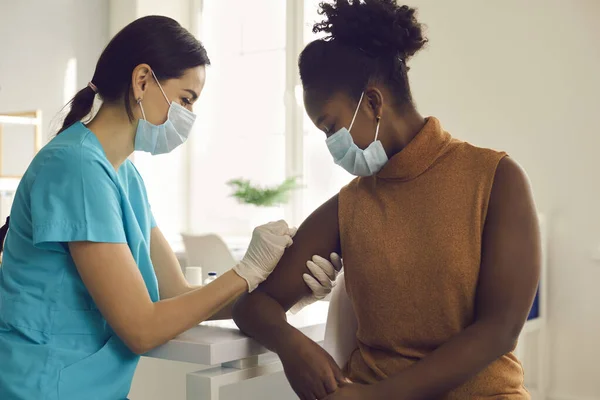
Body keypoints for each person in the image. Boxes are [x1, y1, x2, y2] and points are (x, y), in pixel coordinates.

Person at [0, 16, 339, 400]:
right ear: (142, 81)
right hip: (44, 386)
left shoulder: (123, 176)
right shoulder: (76, 167)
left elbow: (174, 293)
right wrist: (246, 271)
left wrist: (284, 293)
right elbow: (141, 328)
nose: (189, 117)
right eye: (185, 99)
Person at [232, 1, 541, 399]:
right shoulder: (350, 206)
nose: (331, 146)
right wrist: (292, 346)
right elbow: (254, 307)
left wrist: (377, 397)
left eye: (331, 127)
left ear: (374, 103)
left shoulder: (497, 179)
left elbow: (498, 330)